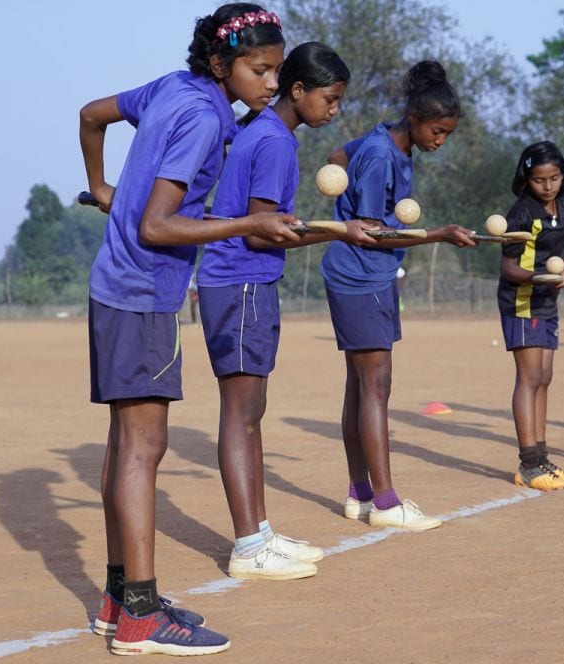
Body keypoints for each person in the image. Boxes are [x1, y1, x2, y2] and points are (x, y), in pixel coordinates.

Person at [81, 4, 297, 656]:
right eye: (259, 70)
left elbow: (92, 114)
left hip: (114, 285)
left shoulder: (171, 89)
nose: (270, 83)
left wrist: (101, 186)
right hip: (145, 292)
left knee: (127, 447)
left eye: (277, 70)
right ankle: (143, 616)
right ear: (219, 64)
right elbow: (158, 226)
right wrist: (247, 225)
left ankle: (122, 601)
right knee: (144, 450)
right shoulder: (205, 117)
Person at [198, 42, 376, 580]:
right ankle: (249, 544)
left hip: (243, 285)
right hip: (241, 283)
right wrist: (337, 230)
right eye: (331, 98)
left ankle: (260, 533)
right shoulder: (274, 141)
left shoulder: (266, 133)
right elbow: (259, 236)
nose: (335, 110)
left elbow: (264, 224)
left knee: (251, 413)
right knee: (242, 413)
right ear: (299, 92)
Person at [321, 61, 476, 530]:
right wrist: (436, 235)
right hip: (360, 275)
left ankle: (360, 494)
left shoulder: (379, 141)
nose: (439, 140)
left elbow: (335, 157)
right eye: (436, 130)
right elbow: (371, 234)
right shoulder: (381, 156)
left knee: (361, 387)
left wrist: (342, 196)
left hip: (365, 275)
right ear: (414, 118)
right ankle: (386, 503)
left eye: (448, 133)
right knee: (376, 387)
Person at [497, 141, 564, 490]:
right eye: (539, 180)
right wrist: (539, 278)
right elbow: (507, 268)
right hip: (522, 301)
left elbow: (558, 251)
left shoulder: (562, 204)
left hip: (547, 300)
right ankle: (528, 464)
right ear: (526, 179)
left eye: (555, 178)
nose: (548, 186)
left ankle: (542, 458)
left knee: (544, 377)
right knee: (529, 378)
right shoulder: (520, 213)